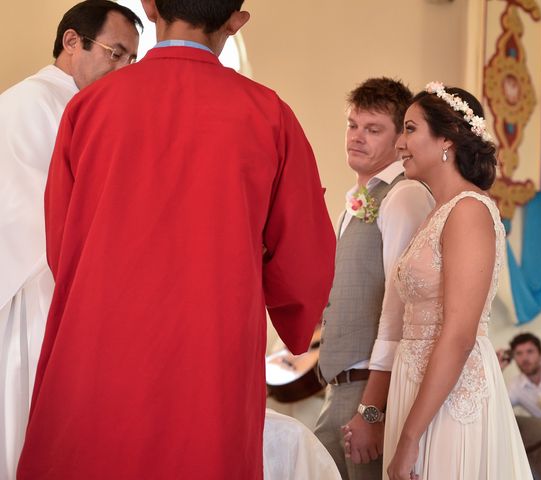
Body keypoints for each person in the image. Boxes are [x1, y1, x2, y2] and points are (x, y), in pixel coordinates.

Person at [16, 1, 336, 478]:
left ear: (148, 6)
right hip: (210, 349)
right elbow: (305, 259)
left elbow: (63, 245)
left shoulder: (88, 106)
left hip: (103, 339)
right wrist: (292, 319)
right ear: (236, 20)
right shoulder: (269, 115)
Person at [0, 2, 141, 478]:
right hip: (39, 289)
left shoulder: (82, 106)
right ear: (72, 42)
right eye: (115, 53)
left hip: (75, 286)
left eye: (131, 61)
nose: (122, 70)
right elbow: (40, 211)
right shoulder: (33, 102)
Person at [381, 82, 533, 479]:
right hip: (415, 384)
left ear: (446, 138)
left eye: (410, 129)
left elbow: (460, 333)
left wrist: (411, 437)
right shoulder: (437, 211)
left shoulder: (468, 211)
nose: (400, 143)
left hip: (451, 395)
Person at [314, 77, 435, 480]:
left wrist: (372, 409)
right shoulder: (352, 203)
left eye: (373, 129)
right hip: (339, 383)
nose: (357, 137)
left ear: (401, 137)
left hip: (370, 387)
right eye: (352, 125)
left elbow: (401, 306)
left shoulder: (404, 195)